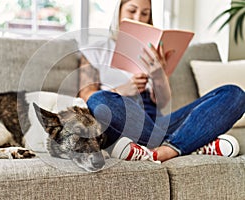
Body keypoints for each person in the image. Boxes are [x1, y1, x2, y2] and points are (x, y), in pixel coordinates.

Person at [78, 0, 245, 162]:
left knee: (235, 94)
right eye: (132, 11)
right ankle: (191, 143)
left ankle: (165, 149)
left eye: (145, 13)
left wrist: (159, 74)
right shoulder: (95, 51)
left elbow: (163, 102)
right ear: (119, 12)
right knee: (98, 99)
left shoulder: (153, 52)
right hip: (122, 117)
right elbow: (87, 95)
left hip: (157, 123)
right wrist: (121, 90)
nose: (138, 18)